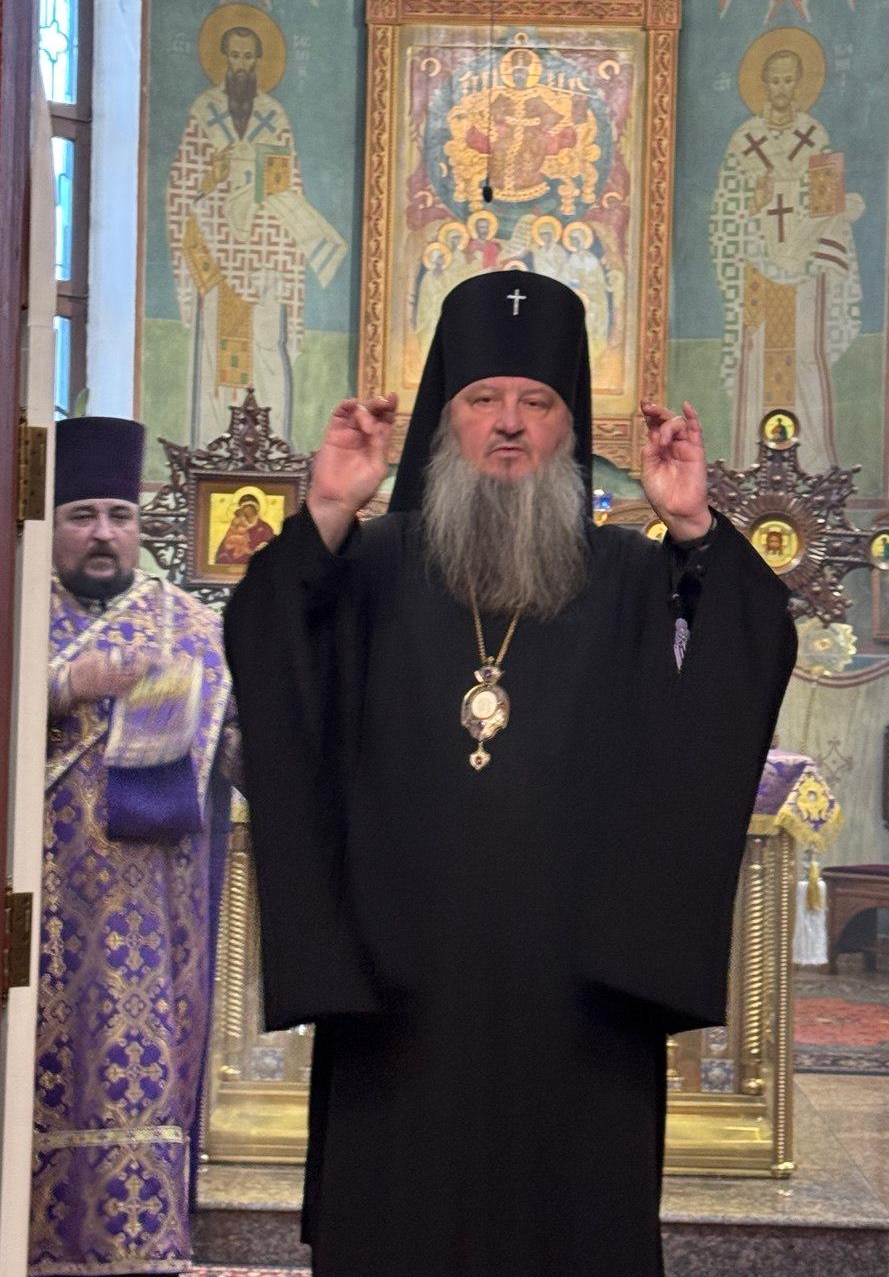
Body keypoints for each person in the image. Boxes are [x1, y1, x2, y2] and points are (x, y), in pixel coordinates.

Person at [225, 271, 797, 1277]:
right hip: (401, 973)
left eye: (537, 403)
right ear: (445, 421)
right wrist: (325, 509)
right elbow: (268, 645)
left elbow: (746, 650)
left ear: (567, 428)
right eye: (483, 398)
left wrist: (696, 527)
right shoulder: (373, 560)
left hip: (577, 987)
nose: (508, 423)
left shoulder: (629, 572)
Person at [31, 417, 240, 1276]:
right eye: (81, 515)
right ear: (49, 523)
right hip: (35, 913)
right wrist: (64, 685)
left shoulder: (190, 627)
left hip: (153, 917)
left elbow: (241, 751)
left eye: (119, 515)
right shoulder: (16, 616)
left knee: (139, 1074)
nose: (103, 534)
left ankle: (138, 1250)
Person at [167, 11, 347, 444]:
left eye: (249, 57)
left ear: (259, 61)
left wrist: (279, 238)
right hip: (215, 259)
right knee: (218, 358)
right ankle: (214, 449)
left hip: (266, 258)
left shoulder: (274, 116)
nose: (242, 65)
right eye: (235, 55)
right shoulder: (204, 112)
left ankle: (271, 448)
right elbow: (181, 185)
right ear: (224, 57)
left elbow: (289, 184)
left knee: (267, 350)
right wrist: (212, 177)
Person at [709, 36, 864, 471]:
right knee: (757, 356)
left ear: (799, 84)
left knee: (806, 357)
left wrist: (816, 234)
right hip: (757, 273)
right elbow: (724, 211)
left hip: (805, 273)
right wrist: (751, 203)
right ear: (763, 84)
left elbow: (826, 204)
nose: (781, 89)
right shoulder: (744, 140)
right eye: (774, 81)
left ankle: (812, 464)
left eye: (789, 80)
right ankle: (750, 465)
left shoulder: (814, 136)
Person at [214, 491, 276, 565]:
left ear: (256, 509)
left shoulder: (265, 528)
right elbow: (224, 548)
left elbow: (273, 547)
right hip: (236, 563)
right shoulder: (237, 525)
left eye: (250, 507)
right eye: (244, 507)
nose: (247, 510)